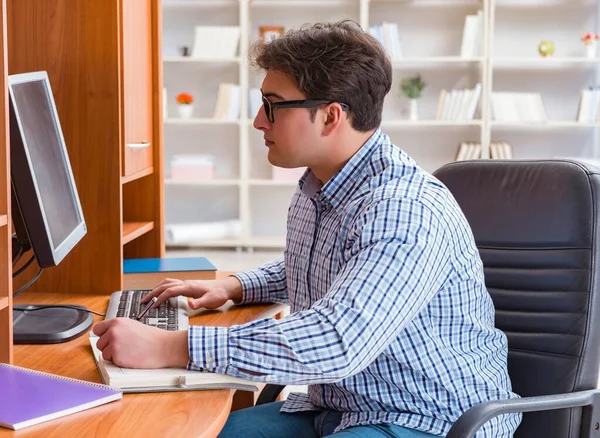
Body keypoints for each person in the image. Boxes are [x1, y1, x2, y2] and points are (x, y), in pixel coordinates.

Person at [93, 21, 521, 438]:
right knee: (190, 430)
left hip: (424, 417)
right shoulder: (320, 183)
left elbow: (338, 340)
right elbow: (323, 263)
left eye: (273, 105)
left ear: (331, 116)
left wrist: (173, 346)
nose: (260, 121)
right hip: (337, 405)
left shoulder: (404, 208)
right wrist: (237, 286)